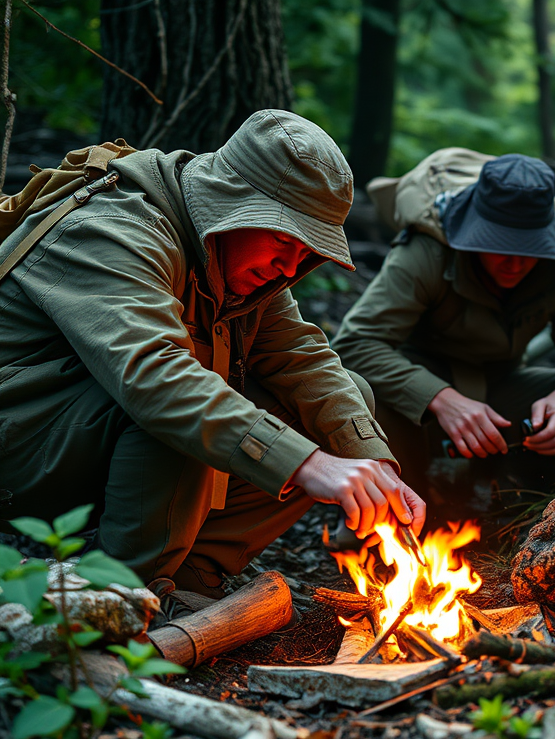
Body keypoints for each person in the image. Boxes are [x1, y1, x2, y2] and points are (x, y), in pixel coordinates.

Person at [0, 110, 425, 597]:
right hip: (19, 444)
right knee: (184, 407)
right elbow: (155, 378)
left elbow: (302, 359)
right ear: (229, 204)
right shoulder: (111, 229)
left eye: (308, 248)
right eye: (283, 238)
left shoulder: (234, 255)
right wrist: (310, 464)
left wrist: (376, 465)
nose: (291, 265)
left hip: (79, 441)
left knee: (343, 402)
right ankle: (119, 596)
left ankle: (189, 577)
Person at [334, 153, 555, 493]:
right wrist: (440, 398)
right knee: (360, 393)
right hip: (416, 406)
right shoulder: (427, 251)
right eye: (500, 247)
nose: (514, 264)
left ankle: (521, 498)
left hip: (502, 394)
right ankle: (399, 501)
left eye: (529, 249)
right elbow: (354, 344)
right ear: (474, 230)